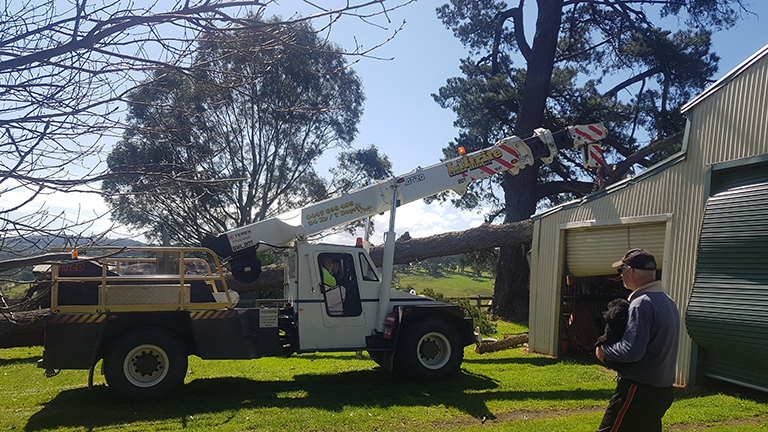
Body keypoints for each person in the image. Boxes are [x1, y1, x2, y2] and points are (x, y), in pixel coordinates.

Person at [595, 248, 680, 432]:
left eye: (621, 270)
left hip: (638, 389)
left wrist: (603, 352)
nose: (621, 275)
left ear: (630, 271)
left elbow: (632, 350)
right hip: (663, 390)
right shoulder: (668, 302)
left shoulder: (641, 303)